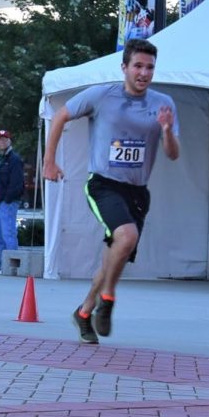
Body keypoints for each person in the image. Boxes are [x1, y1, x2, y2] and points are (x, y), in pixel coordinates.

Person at [43, 39, 180, 345]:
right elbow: (61, 115)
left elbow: (173, 154)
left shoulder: (163, 104)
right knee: (127, 237)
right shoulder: (102, 95)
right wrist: (49, 160)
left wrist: (168, 131)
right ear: (124, 68)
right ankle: (108, 299)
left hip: (137, 191)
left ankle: (84, 312)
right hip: (104, 184)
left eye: (149, 67)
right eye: (138, 66)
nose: (144, 73)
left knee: (113, 257)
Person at [0, 129, 25, 275]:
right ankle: (2, 265)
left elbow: (16, 183)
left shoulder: (14, 159)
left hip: (7, 203)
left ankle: (13, 266)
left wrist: (7, 200)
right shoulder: (0, 159)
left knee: (8, 234)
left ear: (9, 141)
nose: (2, 142)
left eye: (5, 139)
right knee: (0, 236)